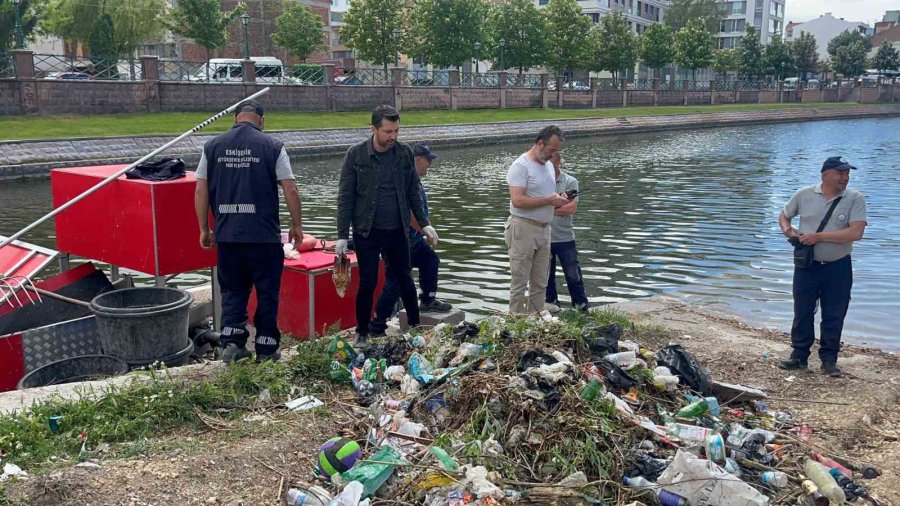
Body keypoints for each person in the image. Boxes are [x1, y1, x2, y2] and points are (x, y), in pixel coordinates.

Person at [194, 99, 303, 363]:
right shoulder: (273, 147)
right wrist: (296, 225)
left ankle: (232, 345)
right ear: (261, 121)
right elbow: (290, 188)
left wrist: (204, 229)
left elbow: (200, 189)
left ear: (235, 119)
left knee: (233, 291)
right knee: (267, 292)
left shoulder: (212, 147)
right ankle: (266, 348)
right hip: (263, 237)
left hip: (228, 236)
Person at [335, 105, 437, 342]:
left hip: (397, 229)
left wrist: (424, 223)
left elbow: (413, 191)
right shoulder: (356, 154)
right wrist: (342, 234)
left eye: (397, 131)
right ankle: (362, 332)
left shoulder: (403, 153)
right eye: (388, 131)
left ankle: (414, 326)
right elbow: (345, 196)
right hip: (366, 231)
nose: (393, 137)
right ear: (374, 129)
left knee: (404, 278)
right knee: (368, 282)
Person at [778, 156, 867, 377]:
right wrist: (789, 232)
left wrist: (819, 237)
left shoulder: (854, 198)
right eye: (840, 173)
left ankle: (829, 360)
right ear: (825, 174)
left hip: (838, 267)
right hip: (806, 266)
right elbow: (784, 215)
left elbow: (856, 233)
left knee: (834, 314)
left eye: (847, 174)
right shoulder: (804, 194)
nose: (844, 178)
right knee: (802, 311)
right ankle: (799, 356)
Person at [370, 144, 452, 333]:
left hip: (413, 240)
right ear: (417, 159)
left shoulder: (413, 180)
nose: (430, 164)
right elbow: (409, 215)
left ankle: (428, 300)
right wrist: (427, 231)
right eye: (428, 159)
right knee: (396, 282)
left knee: (430, 260)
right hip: (398, 240)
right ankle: (377, 324)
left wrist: (427, 229)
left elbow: (420, 211)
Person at [505, 125, 570, 314]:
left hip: (544, 228)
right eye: (551, 150)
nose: (553, 155)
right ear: (540, 144)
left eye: (557, 151)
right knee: (519, 281)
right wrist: (549, 200)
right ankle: (515, 321)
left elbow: (545, 196)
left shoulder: (549, 165)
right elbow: (517, 201)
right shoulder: (521, 165)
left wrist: (557, 200)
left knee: (540, 280)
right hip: (523, 227)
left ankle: (536, 319)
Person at [545, 152, 589, 312]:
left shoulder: (570, 181)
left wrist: (547, 207)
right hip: (544, 237)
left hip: (565, 237)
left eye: (552, 161)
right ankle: (551, 305)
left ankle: (580, 306)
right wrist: (556, 205)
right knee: (546, 276)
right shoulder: (540, 183)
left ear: (558, 162)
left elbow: (571, 208)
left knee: (573, 274)